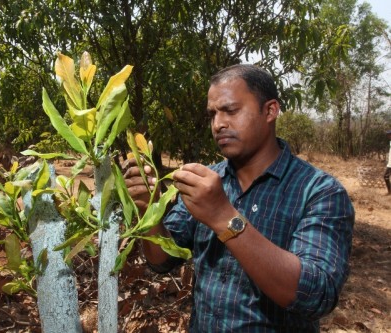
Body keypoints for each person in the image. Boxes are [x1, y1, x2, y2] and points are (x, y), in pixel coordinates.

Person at [124, 64, 354, 332]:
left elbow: (316, 295)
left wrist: (223, 217)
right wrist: (147, 209)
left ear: (270, 111)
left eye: (231, 111)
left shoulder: (320, 191)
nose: (219, 124)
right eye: (213, 114)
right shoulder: (207, 181)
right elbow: (162, 260)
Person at [384, 129, 391, 195]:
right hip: (389, 164)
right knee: (386, 177)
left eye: (389, 134)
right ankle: (389, 191)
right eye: (388, 134)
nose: (388, 136)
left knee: (385, 176)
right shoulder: (390, 142)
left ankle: (389, 191)